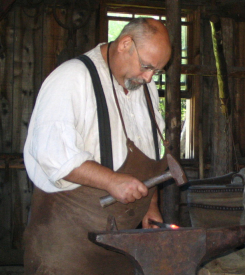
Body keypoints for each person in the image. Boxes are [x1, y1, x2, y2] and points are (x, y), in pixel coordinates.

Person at [23, 18, 172, 274]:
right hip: (67, 249)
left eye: (156, 71)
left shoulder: (143, 87)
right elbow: (53, 155)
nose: (149, 78)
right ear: (126, 44)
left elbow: (152, 150)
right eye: (147, 67)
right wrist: (111, 181)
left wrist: (151, 204)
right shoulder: (72, 78)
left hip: (120, 250)